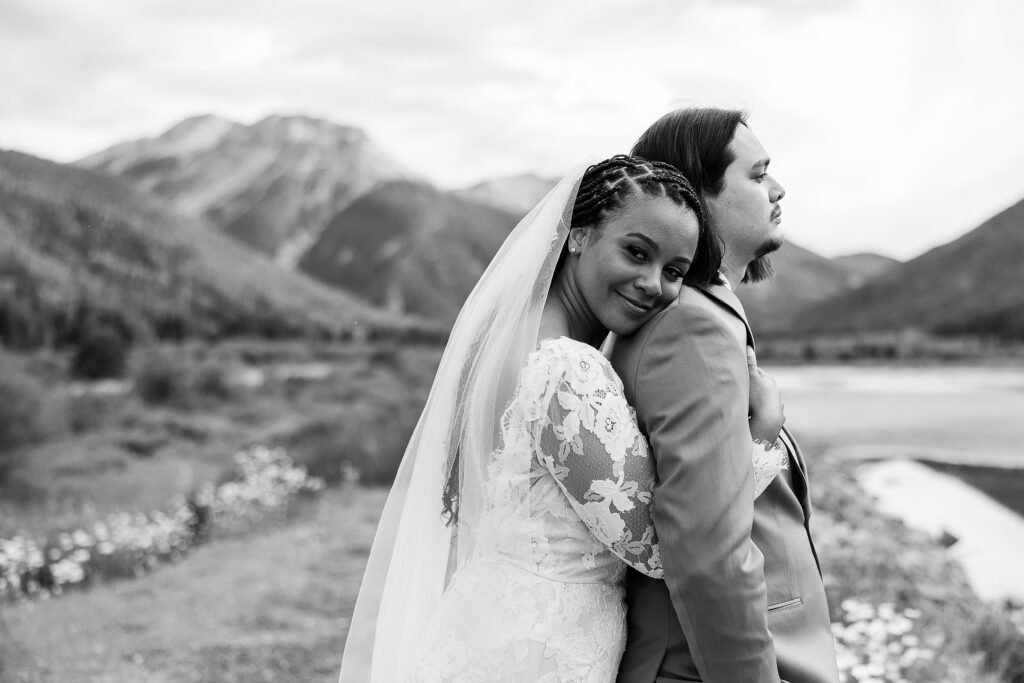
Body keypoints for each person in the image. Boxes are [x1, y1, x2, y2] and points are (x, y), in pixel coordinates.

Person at [338, 155, 789, 682]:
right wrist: (759, 434)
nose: (651, 284)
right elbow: (662, 546)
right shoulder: (565, 367)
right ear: (578, 234)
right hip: (541, 652)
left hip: (487, 620)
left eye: (673, 271)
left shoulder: (503, 344)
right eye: (636, 252)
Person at [610, 108, 840, 682]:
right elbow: (707, 550)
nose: (778, 189)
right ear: (698, 195)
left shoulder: (699, 314)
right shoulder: (691, 327)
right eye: (759, 175)